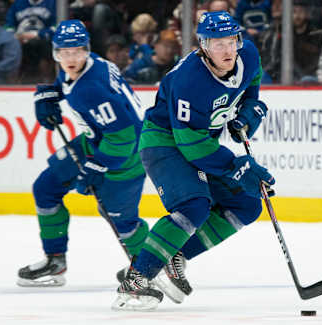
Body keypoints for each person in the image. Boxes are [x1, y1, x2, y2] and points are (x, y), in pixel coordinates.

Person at [113, 11, 275, 311]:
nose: (227, 51)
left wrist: (250, 108)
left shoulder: (248, 54)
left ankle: (173, 254)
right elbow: (191, 146)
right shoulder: (190, 81)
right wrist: (236, 167)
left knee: (247, 204)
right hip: (164, 142)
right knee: (193, 205)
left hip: (200, 143)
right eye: (218, 44)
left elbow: (252, 79)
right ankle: (135, 281)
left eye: (231, 41)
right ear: (203, 46)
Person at [16, 20, 149, 287]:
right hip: (97, 141)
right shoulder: (87, 66)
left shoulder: (91, 89)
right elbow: (66, 85)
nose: (71, 58)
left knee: (121, 220)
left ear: (86, 49)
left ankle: (154, 266)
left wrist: (96, 167)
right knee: (45, 188)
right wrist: (48, 95)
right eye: (64, 52)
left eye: (77, 51)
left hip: (130, 153)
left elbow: (124, 135)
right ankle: (55, 260)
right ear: (56, 53)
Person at [5, 0, 57, 83]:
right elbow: (8, 27)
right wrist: (15, 37)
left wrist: (38, 34)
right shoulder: (17, 4)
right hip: (20, 40)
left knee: (45, 47)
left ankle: (46, 79)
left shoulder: (52, 3)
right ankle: (15, 81)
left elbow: (56, 26)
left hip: (43, 41)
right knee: (12, 47)